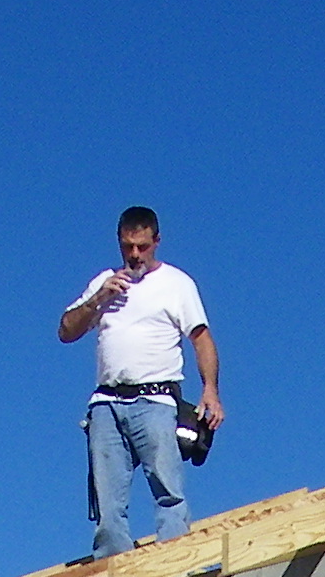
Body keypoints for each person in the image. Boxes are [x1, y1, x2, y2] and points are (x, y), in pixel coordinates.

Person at [58, 206, 223, 555]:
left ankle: (174, 560)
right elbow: (66, 331)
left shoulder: (176, 284)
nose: (135, 254)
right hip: (107, 403)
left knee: (168, 491)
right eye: (128, 247)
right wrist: (98, 300)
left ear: (157, 241)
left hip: (156, 400)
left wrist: (210, 390)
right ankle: (113, 565)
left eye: (142, 247)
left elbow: (201, 338)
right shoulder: (104, 282)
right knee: (108, 503)